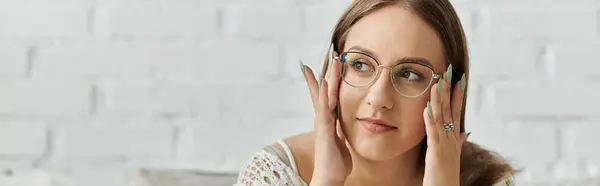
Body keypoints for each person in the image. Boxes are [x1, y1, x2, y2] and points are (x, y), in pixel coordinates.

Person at [234, 0, 517, 185]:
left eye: (410, 74)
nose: (378, 98)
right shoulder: (272, 175)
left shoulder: (484, 180)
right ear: (334, 71)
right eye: (360, 64)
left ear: (451, 93)